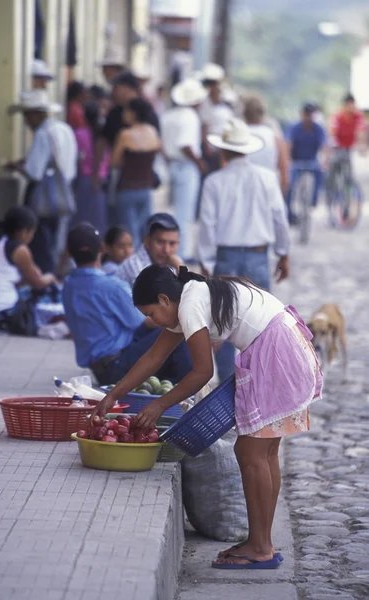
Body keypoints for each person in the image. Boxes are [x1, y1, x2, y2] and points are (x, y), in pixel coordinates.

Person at [92, 264, 323, 569]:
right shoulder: (188, 299)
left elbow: (203, 372)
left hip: (276, 351)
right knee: (265, 451)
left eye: (150, 313)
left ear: (164, 299)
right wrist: (113, 395)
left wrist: (159, 405)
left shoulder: (189, 305)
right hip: (283, 343)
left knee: (251, 450)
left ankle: (259, 546)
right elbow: (153, 357)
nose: (150, 321)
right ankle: (262, 542)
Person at [197, 118, 290, 383]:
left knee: (223, 322)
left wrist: (205, 260)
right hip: (258, 256)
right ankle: (258, 382)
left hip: (226, 257)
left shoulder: (214, 182)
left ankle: (230, 386)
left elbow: (207, 224)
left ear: (223, 150)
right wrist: (284, 252)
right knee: (261, 321)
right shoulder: (267, 178)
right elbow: (279, 217)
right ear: (247, 149)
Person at [62, 223, 192, 385]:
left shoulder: (68, 285)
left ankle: (172, 390)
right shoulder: (111, 287)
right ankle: (187, 393)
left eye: (172, 243)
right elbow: (148, 321)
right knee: (180, 331)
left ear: (67, 252)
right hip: (116, 367)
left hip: (101, 368)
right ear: (103, 248)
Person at [6, 90, 77, 274]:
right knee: (56, 241)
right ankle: (53, 276)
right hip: (63, 192)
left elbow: (35, 172)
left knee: (40, 243)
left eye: (27, 116)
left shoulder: (43, 134)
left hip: (42, 197)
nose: (27, 121)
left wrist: (18, 167)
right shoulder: (65, 129)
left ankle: (43, 280)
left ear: (35, 113)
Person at [0, 206, 57, 331]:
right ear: (23, 232)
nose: (31, 237)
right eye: (32, 232)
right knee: (47, 292)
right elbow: (38, 283)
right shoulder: (19, 250)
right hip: (0, 312)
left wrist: (27, 278)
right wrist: (50, 277)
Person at [161, 78, 208, 261]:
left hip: (171, 164)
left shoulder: (169, 115)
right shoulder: (190, 117)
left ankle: (169, 249)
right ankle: (181, 253)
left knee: (172, 210)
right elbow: (185, 145)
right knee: (184, 212)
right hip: (185, 165)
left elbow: (162, 143)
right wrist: (199, 162)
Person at [93, 72, 160, 191]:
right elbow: (103, 141)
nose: (112, 92)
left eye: (116, 88)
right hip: (121, 178)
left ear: (127, 89)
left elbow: (156, 144)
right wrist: (97, 171)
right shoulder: (114, 113)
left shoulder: (146, 113)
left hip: (141, 179)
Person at [109, 98, 161, 247]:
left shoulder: (125, 134)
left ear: (134, 113)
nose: (124, 114)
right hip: (145, 188)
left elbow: (115, 161)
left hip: (127, 189)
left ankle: (132, 267)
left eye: (127, 111)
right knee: (144, 231)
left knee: (128, 233)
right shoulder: (153, 131)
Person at [72, 102, 109, 237]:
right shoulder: (103, 134)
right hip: (102, 179)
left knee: (83, 218)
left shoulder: (79, 134)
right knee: (99, 219)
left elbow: (76, 157)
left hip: (85, 179)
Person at [116, 213, 183, 289]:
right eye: (160, 242)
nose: (166, 250)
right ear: (147, 241)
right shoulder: (134, 265)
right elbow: (156, 298)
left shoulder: (174, 262)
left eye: (172, 243)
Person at [286, 103, 327, 224]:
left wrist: (325, 160)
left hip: (312, 161)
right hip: (296, 161)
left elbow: (325, 145)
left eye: (310, 114)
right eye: (306, 114)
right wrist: (288, 160)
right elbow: (288, 144)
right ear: (302, 114)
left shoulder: (318, 129)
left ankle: (313, 201)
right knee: (289, 184)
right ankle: (289, 211)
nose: (308, 116)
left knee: (321, 175)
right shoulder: (295, 128)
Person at [243, 96, 290, 196]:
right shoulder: (274, 137)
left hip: (242, 189)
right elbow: (284, 169)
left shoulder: (239, 136)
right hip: (268, 188)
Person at [327, 93, 367, 199]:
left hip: (349, 147)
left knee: (348, 174)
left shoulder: (357, 116)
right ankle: (330, 194)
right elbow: (332, 132)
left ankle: (348, 198)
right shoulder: (337, 116)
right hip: (338, 146)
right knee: (332, 170)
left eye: (352, 104)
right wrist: (332, 144)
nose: (351, 107)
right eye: (349, 104)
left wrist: (362, 146)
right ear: (344, 105)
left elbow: (361, 131)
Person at [200, 63, 234, 173]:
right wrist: (206, 146)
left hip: (223, 147)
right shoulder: (204, 102)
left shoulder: (226, 99)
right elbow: (204, 125)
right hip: (211, 148)